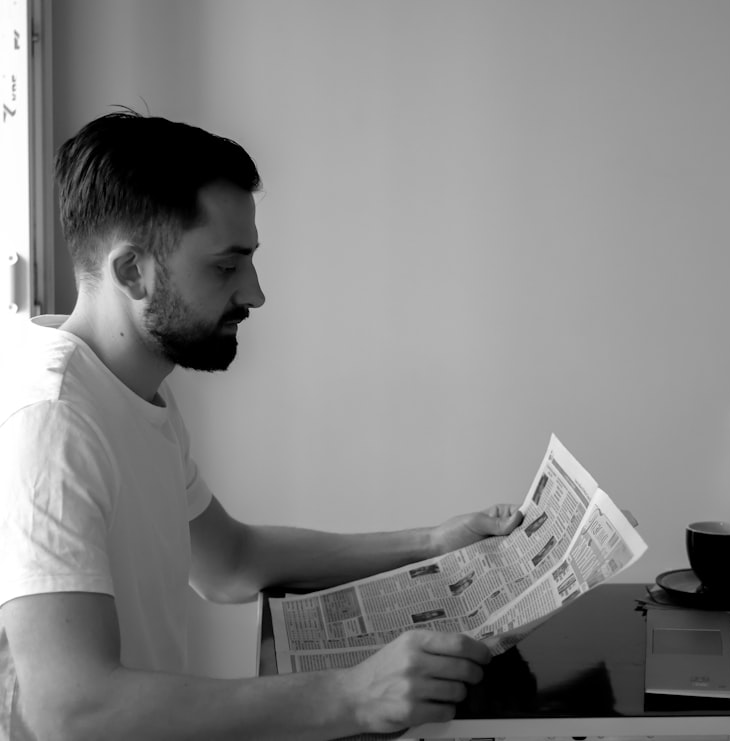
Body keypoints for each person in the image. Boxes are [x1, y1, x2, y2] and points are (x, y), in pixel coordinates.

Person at [0, 111, 524, 741]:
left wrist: (432, 544)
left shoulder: (133, 389)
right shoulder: (54, 421)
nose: (254, 292)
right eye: (226, 266)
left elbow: (230, 561)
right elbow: (67, 709)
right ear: (131, 272)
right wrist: (353, 696)